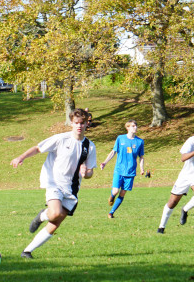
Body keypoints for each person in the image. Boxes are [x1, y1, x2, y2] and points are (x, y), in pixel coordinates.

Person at [10, 108, 96, 259]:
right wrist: (21, 157)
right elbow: (38, 148)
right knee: (54, 213)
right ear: (71, 123)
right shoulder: (61, 139)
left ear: (86, 123)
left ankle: (27, 251)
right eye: (76, 123)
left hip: (72, 189)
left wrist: (85, 172)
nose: (79, 126)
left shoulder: (89, 146)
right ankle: (42, 216)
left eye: (82, 123)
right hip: (54, 182)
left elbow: (90, 173)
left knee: (56, 222)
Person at [100, 120, 145, 219]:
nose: (135, 127)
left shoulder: (140, 141)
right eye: (133, 126)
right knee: (115, 191)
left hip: (131, 172)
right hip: (119, 170)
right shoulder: (120, 138)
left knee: (123, 193)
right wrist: (104, 162)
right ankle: (112, 196)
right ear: (127, 128)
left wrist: (142, 168)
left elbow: (141, 157)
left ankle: (111, 212)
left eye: (136, 125)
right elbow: (113, 152)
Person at [157, 135, 194, 233]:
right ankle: (161, 227)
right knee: (173, 202)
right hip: (186, 175)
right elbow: (183, 158)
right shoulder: (191, 140)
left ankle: (185, 209)